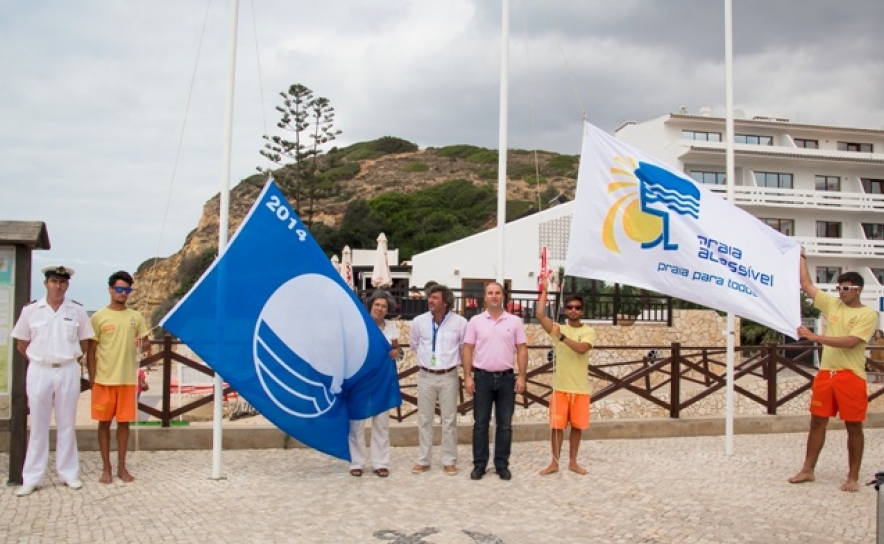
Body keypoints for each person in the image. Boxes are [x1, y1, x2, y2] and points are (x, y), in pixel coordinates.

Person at [788, 254, 877, 492]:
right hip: (827, 374)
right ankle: (807, 469)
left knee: (853, 425)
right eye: (838, 287)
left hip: (851, 375)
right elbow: (807, 284)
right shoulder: (832, 304)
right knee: (817, 421)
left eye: (846, 288)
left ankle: (853, 476)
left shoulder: (868, 314)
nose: (841, 292)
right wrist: (801, 256)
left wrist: (816, 337)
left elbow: (851, 342)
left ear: (858, 290)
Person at [11, 265, 95, 497]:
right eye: (54, 282)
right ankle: (32, 477)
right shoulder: (31, 311)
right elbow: (21, 343)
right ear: (46, 283)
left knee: (67, 422)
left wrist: (71, 358)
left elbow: (85, 343)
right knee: (38, 425)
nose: (57, 286)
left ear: (67, 285)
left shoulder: (77, 310)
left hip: (68, 368)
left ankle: (69, 473)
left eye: (62, 282)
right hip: (40, 370)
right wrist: (39, 359)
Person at [87, 270, 150, 484]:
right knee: (103, 424)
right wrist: (93, 380)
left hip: (127, 381)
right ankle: (106, 468)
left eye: (126, 290)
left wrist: (144, 343)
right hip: (104, 381)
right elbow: (91, 351)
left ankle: (122, 468)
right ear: (110, 290)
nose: (123, 293)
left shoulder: (136, 317)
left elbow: (147, 345)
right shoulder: (98, 317)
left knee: (124, 425)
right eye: (119, 289)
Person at [462, 282, 528, 481]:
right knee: (480, 423)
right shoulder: (475, 321)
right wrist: (467, 376)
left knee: (505, 425)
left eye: (497, 293)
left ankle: (502, 464)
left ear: (503, 296)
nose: (494, 296)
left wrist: (522, 376)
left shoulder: (515, 321)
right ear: (485, 297)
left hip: (507, 379)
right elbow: (467, 349)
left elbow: (522, 349)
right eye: (490, 293)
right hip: (482, 378)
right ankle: (479, 465)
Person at [535, 280, 596, 476]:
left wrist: (561, 337)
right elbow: (539, 315)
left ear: (582, 311)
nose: (573, 310)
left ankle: (573, 462)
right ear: (565, 309)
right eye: (569, 307)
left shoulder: (588, 331)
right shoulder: (557, 328)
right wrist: (544, 291)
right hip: (560, 388)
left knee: (577, 427)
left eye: (577, 307)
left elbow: (581, 349)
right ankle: (554, 462)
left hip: (580, 389)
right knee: (556, 427)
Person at [409, 284, 467, 476]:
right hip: (425, 375)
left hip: (449, 376)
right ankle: (424, 460)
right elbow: (414, 345)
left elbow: (463, 348)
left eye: (435, 298)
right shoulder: (419, 321)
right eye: (430, 297)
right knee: (424, 419)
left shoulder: (460, 323)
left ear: (445, 302)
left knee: (449, 420)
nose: (430, 301)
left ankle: (449, 460)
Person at [348, 290, 400, 478]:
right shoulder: (360, 325)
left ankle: (380, 462)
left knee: (381, 423)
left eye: (384, 306)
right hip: (361, 381)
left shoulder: (391, 327)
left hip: (383, 381)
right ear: (370, 306)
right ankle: (357, 462)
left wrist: (396, 352)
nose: (380, 308)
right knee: (357, 422)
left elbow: (396, 348)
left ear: (388, 309)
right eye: (377, 305)